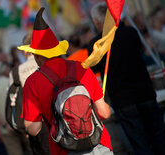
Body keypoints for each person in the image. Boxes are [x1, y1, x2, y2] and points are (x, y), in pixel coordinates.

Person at [17, 8, 112, 155]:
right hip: (99, 144)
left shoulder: (32, 82)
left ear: (36, 56)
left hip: (65, 149)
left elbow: (33, 129)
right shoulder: (82, 67)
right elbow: (104, 113)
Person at [87, 2, 165, 155]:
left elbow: (91, 69)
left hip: (123, 99)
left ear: (97, 21)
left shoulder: (96, 44)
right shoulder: (130, 32)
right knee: (159, 137)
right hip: (144, 92)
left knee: (139, 142)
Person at [9, 33, 50, 155]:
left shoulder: (16, 72)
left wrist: (22, 127)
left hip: (34, 123)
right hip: (56, 117)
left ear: (25, 51)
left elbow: (14, 100)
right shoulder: (49, 62)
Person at [0, 62, 31, 155]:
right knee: (32, 150)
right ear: (4, 70)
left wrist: (5, 125)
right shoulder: (14, 82)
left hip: (6, 129)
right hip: (23, 123)